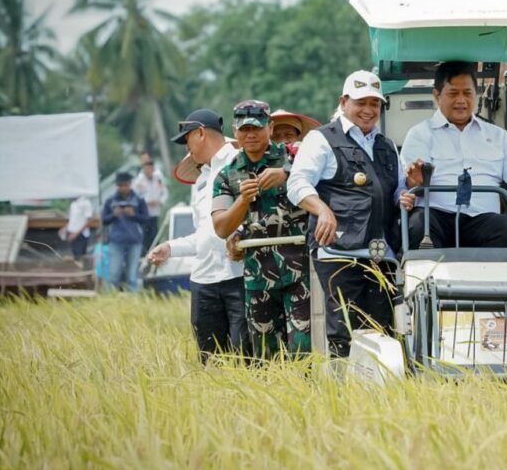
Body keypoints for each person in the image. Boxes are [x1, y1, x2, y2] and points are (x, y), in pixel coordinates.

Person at [287, 70, 421, 357]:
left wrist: (406, 193)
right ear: (344, 101)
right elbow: (296, 185)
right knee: (344, 327)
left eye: (375, 104)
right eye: (361, 103)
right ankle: (341, 393)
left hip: (380, 252)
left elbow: (396, 189)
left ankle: (375, 394)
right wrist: (322, 210)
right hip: (338, 250)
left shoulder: (386, 146)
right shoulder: (321, 139)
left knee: (382, 328)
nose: (368, 110)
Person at [399, 60, 507, 249]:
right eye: (453, 93)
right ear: (437, 95)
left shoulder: (497, 136)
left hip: (484, 222)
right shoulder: (420, 134)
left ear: (477, 94)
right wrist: (414, 180)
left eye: (467, 93)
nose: (461, 101)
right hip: (437, 219)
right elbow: (411, 183)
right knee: (418, 224)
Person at [146, 109, 250, 364]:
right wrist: (170, 247)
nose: (187, 150)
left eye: (187, 141)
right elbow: (204, 234)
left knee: (246, 357)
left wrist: (243, 236)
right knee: (210, 360)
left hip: (240, 275)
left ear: (201, 133)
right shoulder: (202, 180)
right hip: (204, 280)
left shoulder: (241, 161)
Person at [211, 100, 311, 359]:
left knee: (304, 349)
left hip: (301, 272)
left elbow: (326, 179)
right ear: (235, 131)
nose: (250, 134)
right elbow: (221, 227)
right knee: (266, 355)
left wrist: (288, 174)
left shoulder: (295, 157)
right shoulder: (227, 175)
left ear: (270, 126)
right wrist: (242, 200)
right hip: (258, 276)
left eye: (257, 127)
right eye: (244, 129)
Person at [101, 171, 149, 291]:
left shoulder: (138, 199)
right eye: (120, 185)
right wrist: (114, 215)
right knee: (114, 273)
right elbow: (104, 221)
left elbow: (146, 218)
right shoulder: (110, 200)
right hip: (116, 241)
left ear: (130, 184)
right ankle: (111, 300)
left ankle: (132, 302)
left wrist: (133, 214)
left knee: (132, 275)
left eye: (125, 185)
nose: (123, 188)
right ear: (117, 185)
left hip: (134, 241)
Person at [133, 152, 169, 253]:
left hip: (155, 212)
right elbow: (136, 196)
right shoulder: (139, 180)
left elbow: (164, 192)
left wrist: (160, 201)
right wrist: (147, 202)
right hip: (144, 214)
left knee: (155, 236)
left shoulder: (158, 176)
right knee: (145, 238)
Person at [60, 195, 94, 261]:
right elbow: (72, 220)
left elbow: (88, 220)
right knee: (75, 255)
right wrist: (65, 228)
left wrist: (76, 233)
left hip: (81, 234)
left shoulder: (86, 203)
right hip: (72, 232)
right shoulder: (73, 204)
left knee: (80, 256)